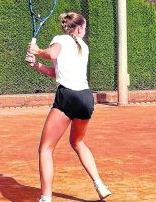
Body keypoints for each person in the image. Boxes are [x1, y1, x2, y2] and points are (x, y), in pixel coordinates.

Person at [25, 12, 111, 201]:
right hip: (86, 99)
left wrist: (37, 51)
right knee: (77, 142)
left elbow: (52, 53)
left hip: (68, 97)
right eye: (85, 28)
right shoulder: (83, 46)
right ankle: (100, 185)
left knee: (45, 149)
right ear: (79, 28)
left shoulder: (61, 39)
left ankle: (46, 198)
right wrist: (36, 64)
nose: (85, 31)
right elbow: (58, 72)